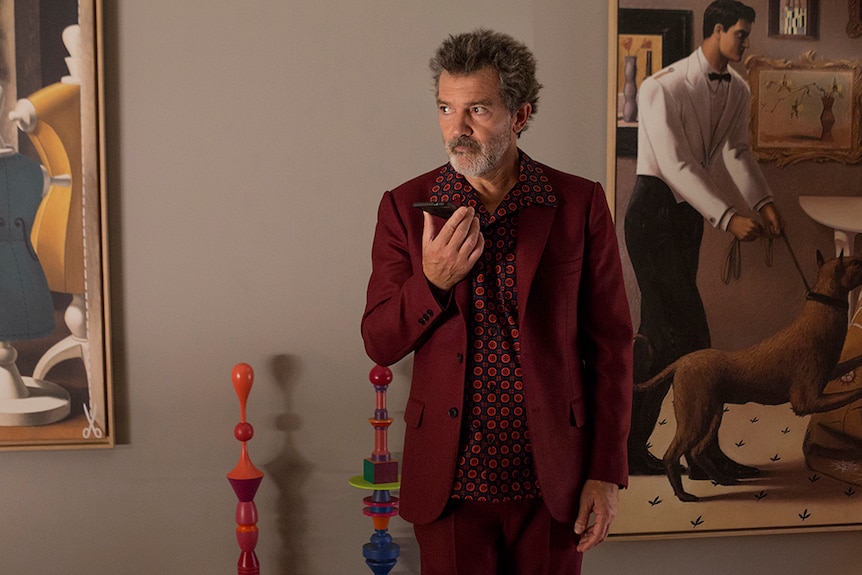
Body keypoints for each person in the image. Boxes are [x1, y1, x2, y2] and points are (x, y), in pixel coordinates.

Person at [362, 29, 633, 575]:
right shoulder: (404, 209)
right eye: (446, 108)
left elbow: (612, 346)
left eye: (478, 109)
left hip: (554, 477)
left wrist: (606, 472)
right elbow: (379, 341)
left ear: (520, 114)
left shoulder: (579, 204)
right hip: (450, 481)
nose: (457, 129)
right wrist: (432, 282)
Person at [625, 0, 784, 476]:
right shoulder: (661, 87)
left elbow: (736, 151)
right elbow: (675, 166)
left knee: (660, 338)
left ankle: (636, 449)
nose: (746, 43)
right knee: (693, 339)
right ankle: (700, 451)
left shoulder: (736, 88)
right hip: (652, 214)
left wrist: (764, 204)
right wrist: (728, 217)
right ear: (716, 31)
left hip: (687, 219)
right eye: (741, 33)